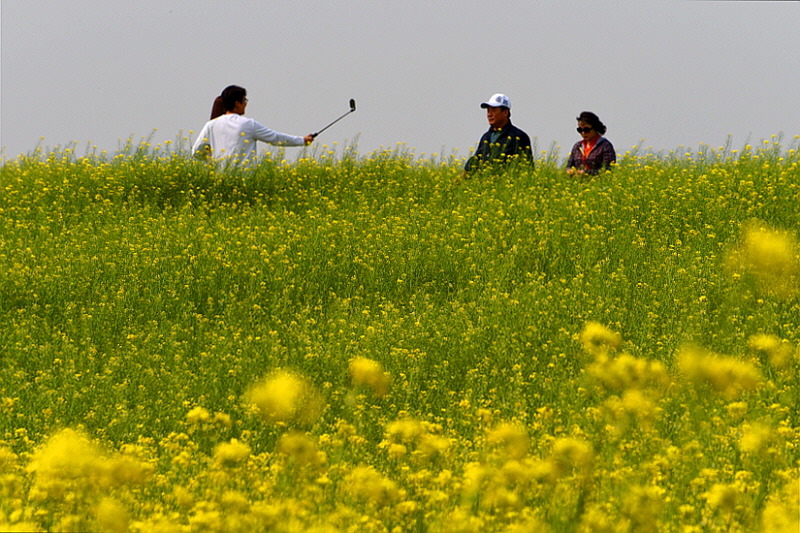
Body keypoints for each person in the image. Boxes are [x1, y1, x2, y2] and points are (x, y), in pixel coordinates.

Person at [192, 85, 314, 163]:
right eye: (245, 100)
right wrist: (302, 140)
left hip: (220, 181)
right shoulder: (248, 124)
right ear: (237, 103)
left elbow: (196, 151)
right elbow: (275, 138)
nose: (246, 103)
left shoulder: (211, 125)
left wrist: (212, 161)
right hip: (245, 181)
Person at [464, 93, 533, 174]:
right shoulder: (486, 137)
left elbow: (528, 168)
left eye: (493, 110)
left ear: (505, 112)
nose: (489, 114)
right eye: (488, 111)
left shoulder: (519, 136)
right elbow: (475, 161)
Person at [566, 111, 616, 175]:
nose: (583, 133)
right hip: (578, 181)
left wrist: (587, 173)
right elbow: (569, 165)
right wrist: (569, 171)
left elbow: (608, 169)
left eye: (586, 130)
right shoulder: (577, 146)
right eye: (580, 130)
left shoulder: (605, 146)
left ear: (595, 128)